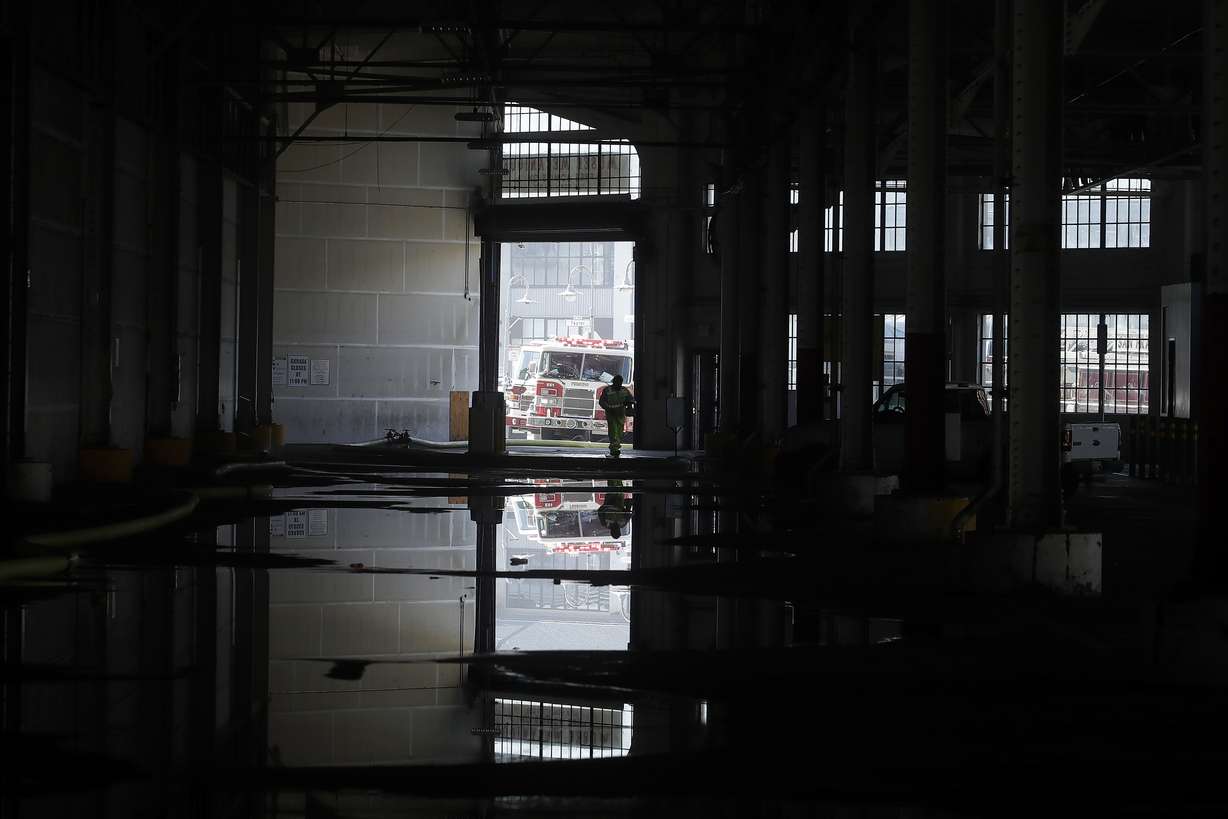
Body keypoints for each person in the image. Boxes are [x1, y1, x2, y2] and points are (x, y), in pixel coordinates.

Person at [598, 375, 634, 457]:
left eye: (620, 382)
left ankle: (616, 447)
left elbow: (630, 400)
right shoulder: (607, 390)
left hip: (621, 414)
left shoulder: (624, 390)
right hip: (611, 414)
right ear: (613, 381)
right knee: (613, 431)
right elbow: (602, 401)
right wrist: (607, 407)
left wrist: (629, 407)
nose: (618, 383)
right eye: (617, 382)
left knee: (619, 432)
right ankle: (614, 449)